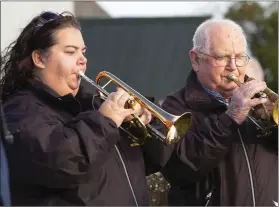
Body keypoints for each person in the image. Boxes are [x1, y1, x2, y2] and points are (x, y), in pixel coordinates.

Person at [0, 11, 167, 206]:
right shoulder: (20, 111)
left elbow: (154, 161)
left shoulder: (92, 106)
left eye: (83, 52)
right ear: (39, 59)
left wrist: (144, 125)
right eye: (70, 52)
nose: (82, 60)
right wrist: (106, 122)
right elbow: (63, 162)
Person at [160, 18, 278, 206]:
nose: (233, 67)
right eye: (222, 57)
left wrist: (273, 125)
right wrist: (230, 118)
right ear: (196, 59)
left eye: (239, 57)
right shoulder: (175, 106)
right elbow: (180, 169)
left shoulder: (261, 100)